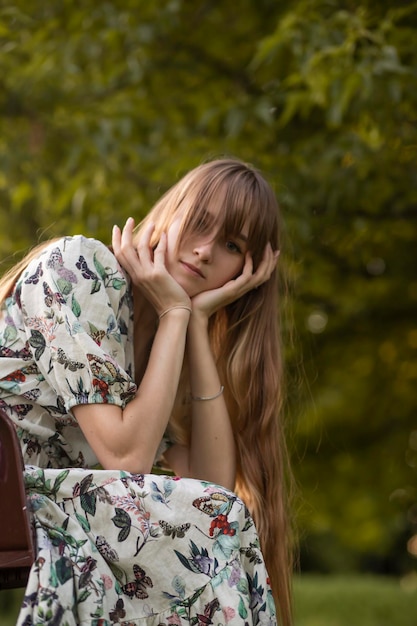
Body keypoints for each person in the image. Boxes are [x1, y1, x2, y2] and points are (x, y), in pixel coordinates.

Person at [0, 158, 293, 626]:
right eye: (198, 224)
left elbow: (211, 489)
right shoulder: (80, 267)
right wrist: (178, 313)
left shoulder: (166, 350)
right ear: (168, 213)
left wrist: (193, 322)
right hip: (9, 490)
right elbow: (126, 456)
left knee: (211, 522)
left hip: (44, 504)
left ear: (244, 270)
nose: (203, 251)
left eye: (231, 245)